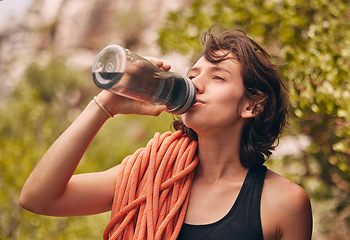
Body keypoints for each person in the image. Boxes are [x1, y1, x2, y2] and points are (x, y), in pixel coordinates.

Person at [19, 26, 313, 240]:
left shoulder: (284, 203)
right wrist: (104, 105)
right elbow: (37, 198)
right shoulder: (149, 176)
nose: (196, 84)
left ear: (252, 105)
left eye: (218, 77)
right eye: (193, 74)